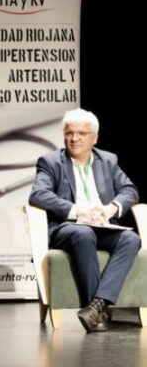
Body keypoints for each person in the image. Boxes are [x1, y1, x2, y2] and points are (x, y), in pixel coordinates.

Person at [29, 108, 141, 332]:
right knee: (83, 233)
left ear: (94, 138)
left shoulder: (108, 160)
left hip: (102, 225)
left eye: (81, 133)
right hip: (68, 228)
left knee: (131, 239)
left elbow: (130, 190)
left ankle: (95, 308)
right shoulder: (51, 162)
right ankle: (96, 313)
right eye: (69, 133)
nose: (74, 138)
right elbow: (38, 194)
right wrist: (77, 211)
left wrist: (111, 209)